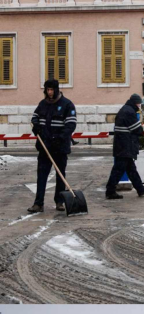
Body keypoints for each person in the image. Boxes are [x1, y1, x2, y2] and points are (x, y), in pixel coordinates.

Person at [28, 79, 77, 213]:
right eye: (47, 90)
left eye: (52, 90)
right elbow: (34, 117)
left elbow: (71, 124)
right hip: (45, 147)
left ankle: (60, 201)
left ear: (56, 90)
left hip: (60, 147)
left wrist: (59, 138)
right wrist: (36, 127)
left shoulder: (67, 104)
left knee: (60, 175)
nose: (49, 93)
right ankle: (38, 203)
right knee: (42, 175)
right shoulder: (43, 104)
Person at [105, 93, 144, 200]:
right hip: (125, 145)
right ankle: (110, 191)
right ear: (136, 103)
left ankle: (140, 188)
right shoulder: (129, 112)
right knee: (118, 169)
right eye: (139, 104)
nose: (140, 106)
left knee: (131, 169)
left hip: (122, 145)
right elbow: (136, 129)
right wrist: (142, 130)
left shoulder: (125, 109)